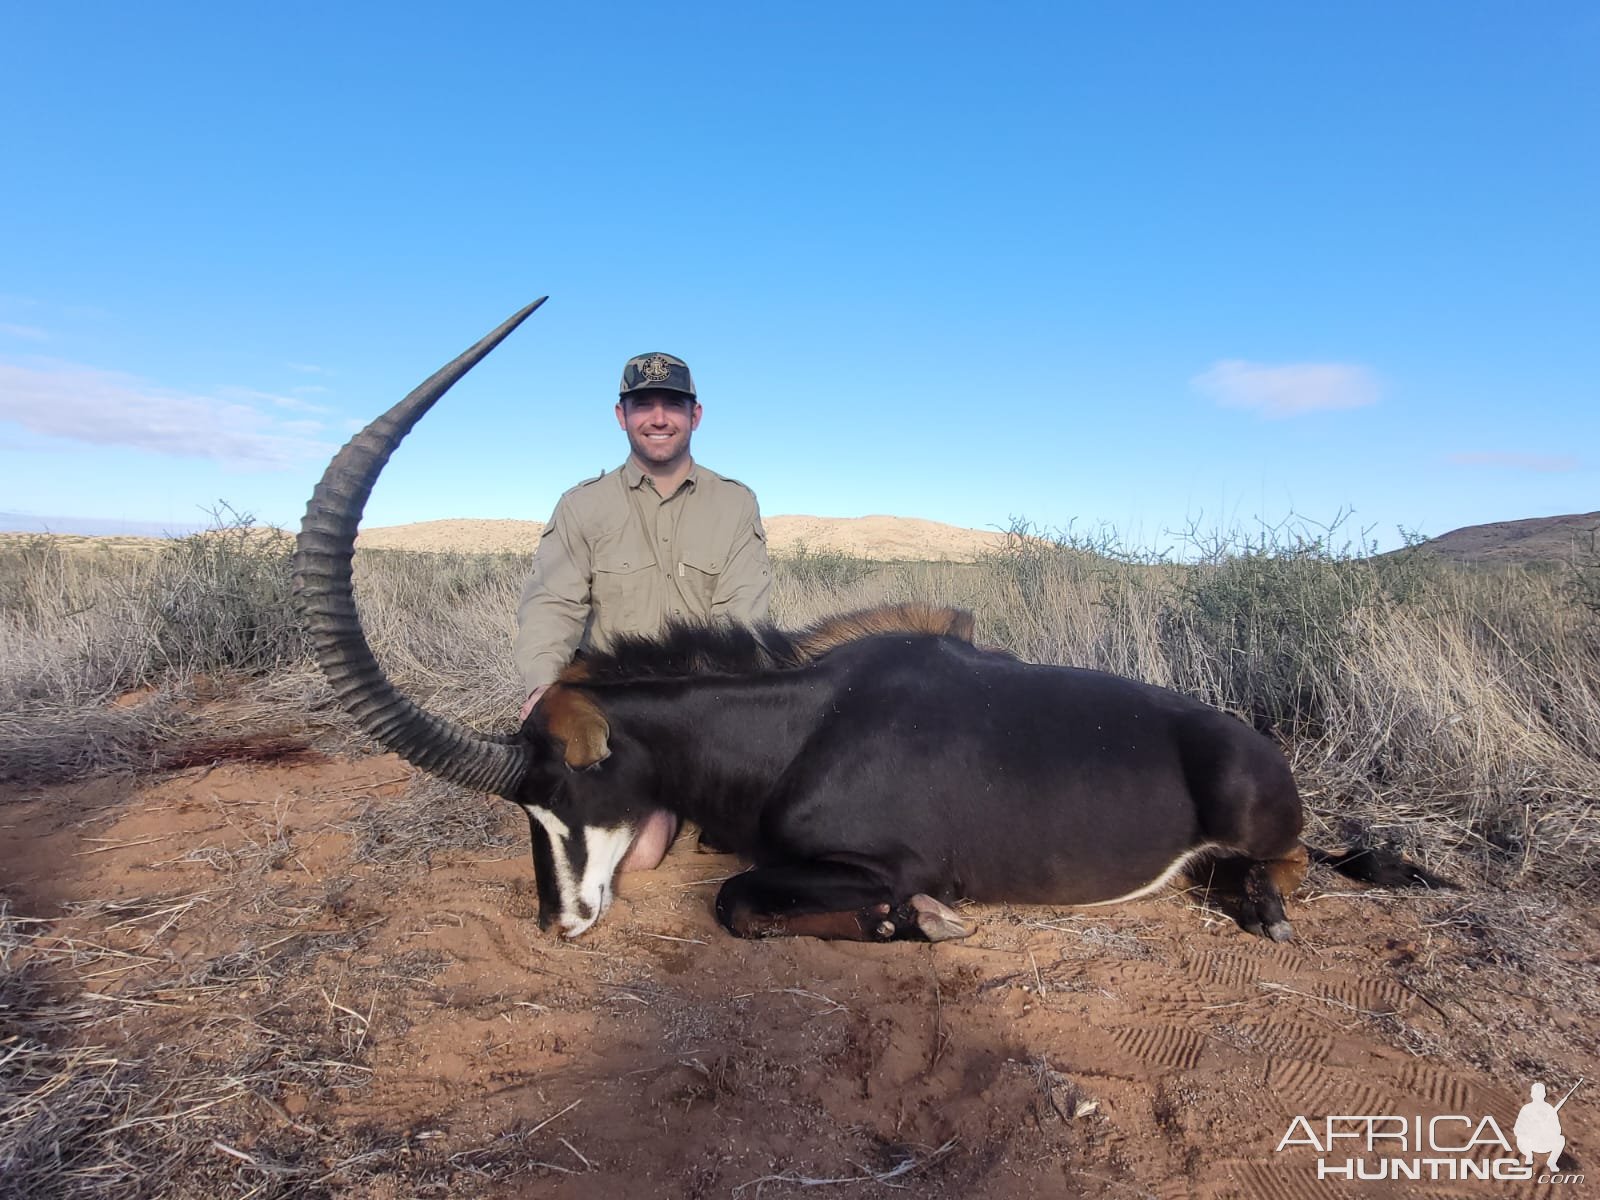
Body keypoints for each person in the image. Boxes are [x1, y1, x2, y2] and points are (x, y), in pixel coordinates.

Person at [513, 352, 771, 866]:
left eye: (672, 404)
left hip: (704, 704)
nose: (658, 418)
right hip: (615, 706)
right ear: (621, 415)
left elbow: (742, 621)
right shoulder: (582, 506)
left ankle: (695, 793)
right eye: (642, 405)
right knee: (638, 852)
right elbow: (553, 604)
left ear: (694, 415)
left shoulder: (735, 503)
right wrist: (544, 688)